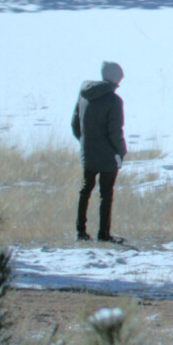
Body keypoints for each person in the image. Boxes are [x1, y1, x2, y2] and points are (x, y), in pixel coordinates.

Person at [71, 61, 127, 243]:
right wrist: (121, 151)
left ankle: (80, 231)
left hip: (88, 152)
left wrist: (85, 142)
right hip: (108, 156)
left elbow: (75, 123)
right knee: (106, 193)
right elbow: (115, 131)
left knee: (85, 190)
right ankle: (103, 234)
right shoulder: (114, 101)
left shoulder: (84, 94)